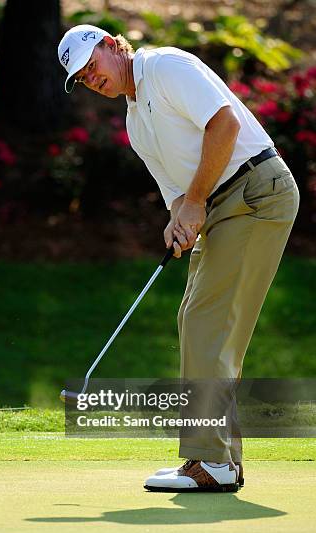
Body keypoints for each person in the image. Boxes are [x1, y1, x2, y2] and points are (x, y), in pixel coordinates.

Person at [57, 25, 299, 492]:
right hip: (223, 203)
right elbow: (177, 194)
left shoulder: (165, 66)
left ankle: (212, 462)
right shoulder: (134, 123)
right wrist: (179, 218)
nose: (92, 78)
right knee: (196, 319)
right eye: (83, 77)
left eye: (93, 65)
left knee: (208, 320)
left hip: (255, 191)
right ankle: (216, 459)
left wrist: (195, 202)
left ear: (112, 45)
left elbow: (224, 124)